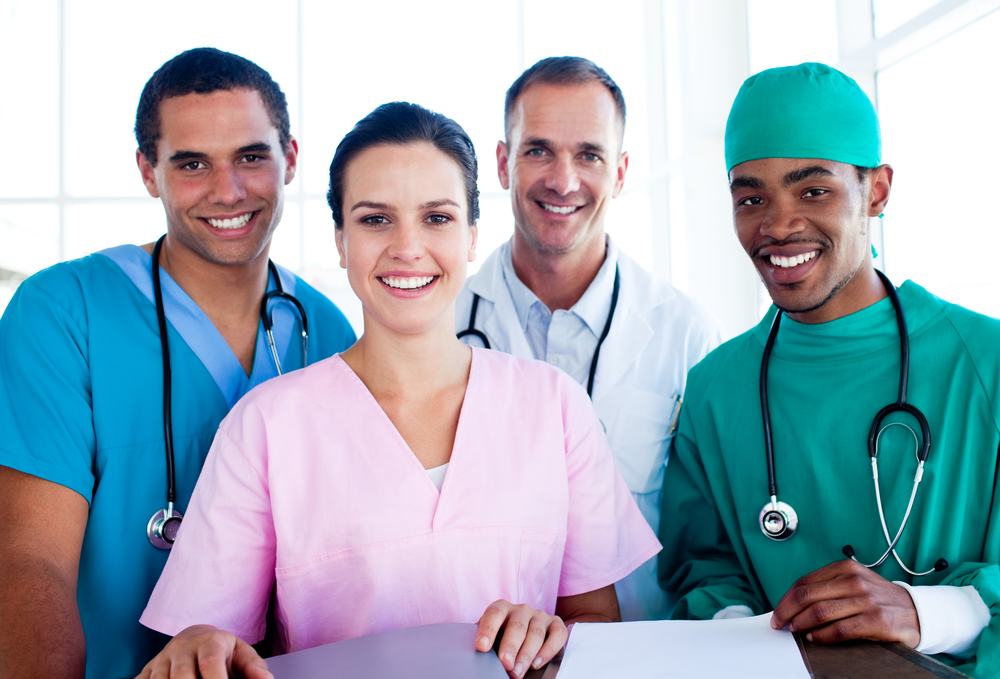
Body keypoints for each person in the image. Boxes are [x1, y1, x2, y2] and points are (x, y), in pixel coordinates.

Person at [136, 102, 660, 679]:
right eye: (375, 219)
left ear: (472, 237)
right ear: (340, 240)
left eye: (437, 217)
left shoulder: (555, 408)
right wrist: (198, 648)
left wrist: (552, 634)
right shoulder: (264, 426)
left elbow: (596, 625)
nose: (408, 248)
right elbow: (209, 647)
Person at [0, 48, 356, 679]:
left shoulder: (325, 331)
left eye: (251, 156)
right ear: (147, 171)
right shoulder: (62, 313)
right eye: (192, 163)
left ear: (290, 159)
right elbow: (29, 559)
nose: (228, 190)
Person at [658, 62, 1000, 677]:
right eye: (751, 197)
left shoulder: (988, 364)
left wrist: (928, 610)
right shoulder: (714, 389)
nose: (778, 225)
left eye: (813, 190)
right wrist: (749, 638)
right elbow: (703, 573)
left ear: (877, 191)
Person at [455, 56, 721, 621]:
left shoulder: (687, 335)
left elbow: (712, 541)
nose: (563, 180)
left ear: (621, 173)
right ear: (503, 164)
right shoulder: (440, 324)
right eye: (538, 150)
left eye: (589, 155)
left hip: (638, 655)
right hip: (480, 655)